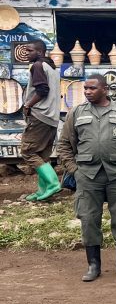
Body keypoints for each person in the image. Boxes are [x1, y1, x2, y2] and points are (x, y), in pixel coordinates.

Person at [57, 74, 116, 282]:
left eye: (92, 88)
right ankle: (93, 265)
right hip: (87, 175)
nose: (87, 91)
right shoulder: (76, 113)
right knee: (88, 220)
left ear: (105, 89)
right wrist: (74, 170)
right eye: (85, 88)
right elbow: (64, 145)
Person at [20, 40, 62, 202]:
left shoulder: (37, 66)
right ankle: (42, 191)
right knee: (42, 155)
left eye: (30, 51)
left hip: (40, 116)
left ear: (39, 52)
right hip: (51, 117)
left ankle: (52, 184)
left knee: (28, 151)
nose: (27, 54)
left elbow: (42, 90)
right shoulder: (51, 67)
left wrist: (28, 104)